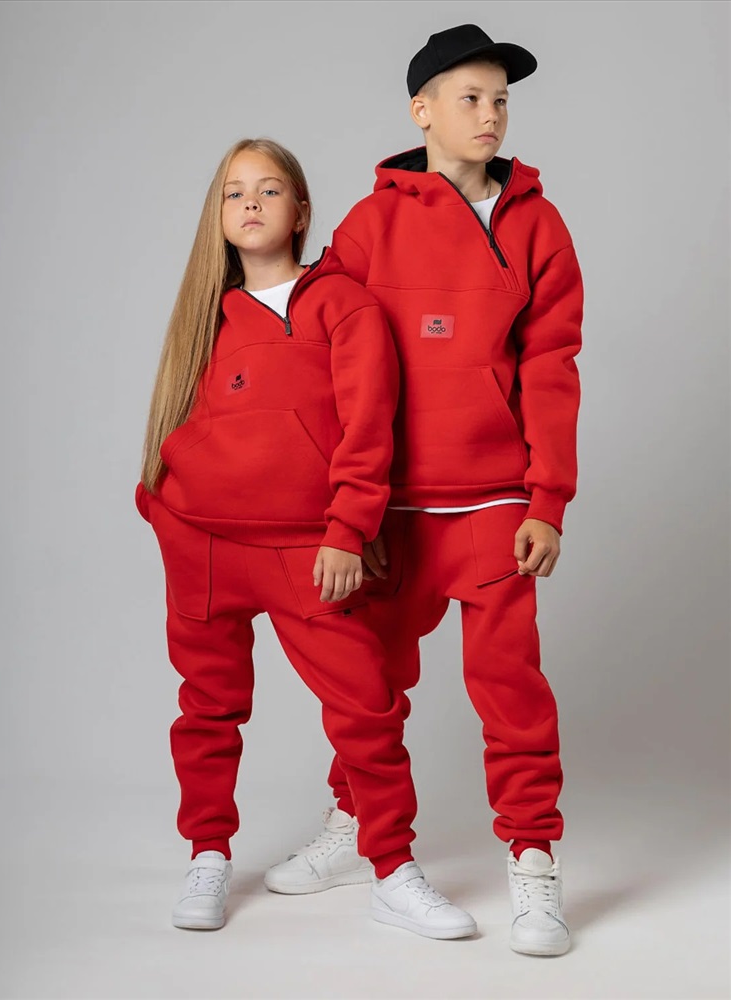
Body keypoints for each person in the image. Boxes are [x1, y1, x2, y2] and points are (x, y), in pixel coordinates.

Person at [264, 26, 584, 957]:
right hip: (392, 508)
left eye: (502, 100)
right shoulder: (372, 224)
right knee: (369, 686)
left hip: (493, 501)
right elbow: (323, 357)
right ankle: (358, 826)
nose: (491, 115)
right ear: (422, 112)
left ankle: (534, 862)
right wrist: (341, 508)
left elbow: (553, 368)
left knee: (511, 689)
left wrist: (548, 501)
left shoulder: (538, 225)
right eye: (470, 98)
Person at [135, 137, 476, 939]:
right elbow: (181, 419)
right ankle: (208, 855)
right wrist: (163, 510)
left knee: (365, 706)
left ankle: (391, 868)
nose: (250, 203)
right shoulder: (206, 315)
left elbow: (369, 427)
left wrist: (349, 529)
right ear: (219, 216)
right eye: (234, 192)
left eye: (269, 189)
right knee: (207, 708)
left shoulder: (342, 304)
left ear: (301, 211)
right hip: (204, 545)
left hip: (307, 548)